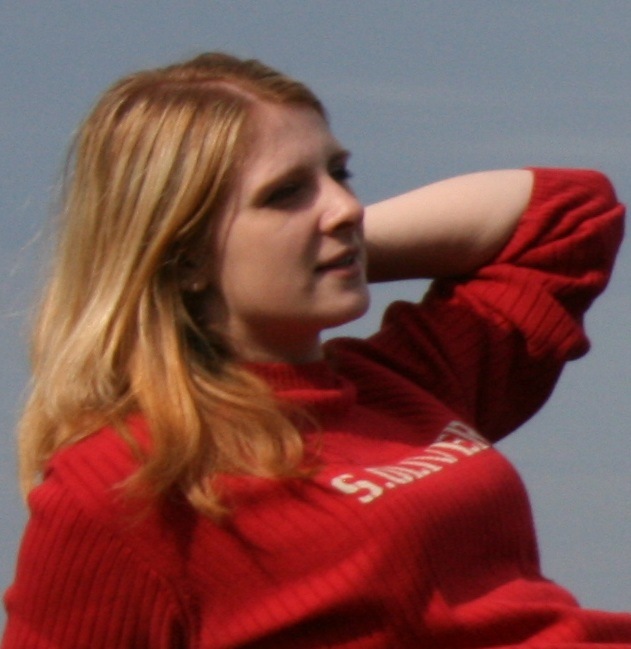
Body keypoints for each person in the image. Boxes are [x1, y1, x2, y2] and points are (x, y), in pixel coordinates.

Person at [2, 52, 630, 648]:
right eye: (285, 194)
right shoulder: (130, 477)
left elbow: (570, 214)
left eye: (338, 174)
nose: (346, 207)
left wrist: (333, 248)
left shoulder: (398, 385)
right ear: (182, 253)